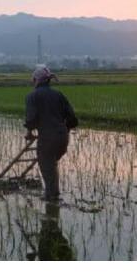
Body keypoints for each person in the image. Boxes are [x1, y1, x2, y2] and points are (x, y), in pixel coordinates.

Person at [24, 65, 78, 201]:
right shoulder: (59, 94)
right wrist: (64, 130)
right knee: (52, 166)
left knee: (48, 168)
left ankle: (52, 202)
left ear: (36, 80)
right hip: (63, 138)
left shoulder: (32, 96)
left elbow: (31, 119)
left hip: (47, 139)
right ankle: (54, 195)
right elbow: (72, 118)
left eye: (33, 80)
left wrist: (29, 132)